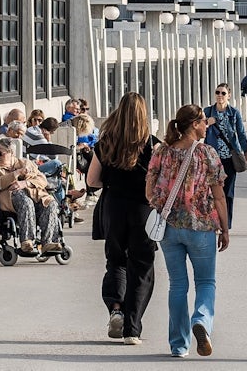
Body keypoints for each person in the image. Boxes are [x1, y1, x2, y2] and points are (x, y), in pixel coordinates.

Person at [146, 105, 229, 358]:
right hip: (201, 228)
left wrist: (160, 204)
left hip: (169, 228)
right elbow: (219, 196)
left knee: (177, 285)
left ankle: (179, 345)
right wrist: (225, 229)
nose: (207, 125)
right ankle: (202, 320)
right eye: (204, 121)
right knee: (205, 281)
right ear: (194, 124)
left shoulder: (161, 151)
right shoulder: (207, 153)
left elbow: (149, 190)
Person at [86, 92, 160, 346]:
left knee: (115, 261)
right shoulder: (152, 145)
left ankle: (115, 307)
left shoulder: (106, 142)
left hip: (114, 207)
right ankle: (132, 328)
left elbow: (92, 181)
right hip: (143, 209)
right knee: (141, 267)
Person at [0, 137, 61, 253]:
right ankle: (27, 241)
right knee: (26, 202)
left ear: (11, 153)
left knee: (50, 204)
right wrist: (16, 173)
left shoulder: (25, 163)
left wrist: (25, 183)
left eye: (0, 153)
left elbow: (42, 180)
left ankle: (48, 242)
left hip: (34, 195)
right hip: (10, 200)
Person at [204, 83, 247, 229]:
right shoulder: (208, 111)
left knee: (228, 192)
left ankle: (226, 224)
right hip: (212, 158)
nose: (220, 95)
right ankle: (214, 221)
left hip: (229, 158)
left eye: (223, 93)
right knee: (213, 192)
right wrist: (206, 123)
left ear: (228, 95)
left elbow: (241, 134)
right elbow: (197, 128)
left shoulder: (234, 113)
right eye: (217, 92)